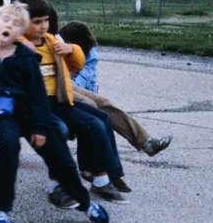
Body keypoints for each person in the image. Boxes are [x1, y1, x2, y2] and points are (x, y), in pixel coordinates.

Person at [0, 3, 110, 223]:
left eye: (16, 24)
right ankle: (1, 209)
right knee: (9, 146)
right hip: (3, 113)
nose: (9, 25)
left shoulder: (27, 56)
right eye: (5, 20)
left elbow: (38, 96)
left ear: (21, 33)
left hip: (32, 112)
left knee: (58, 150)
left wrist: (38, 127)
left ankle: (86, 204)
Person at [19, 0, 129, 204]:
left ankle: (101, 179)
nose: (43, 26)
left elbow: (76, 65)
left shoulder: (52, 42)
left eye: (46, 21)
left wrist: (72, 49)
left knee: (96, 122)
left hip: (58, 101)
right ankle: (57, 186)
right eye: (37, 22)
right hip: (35, 107)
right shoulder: (17, 45)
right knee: (59, 130)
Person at [59, 21, 173, 158]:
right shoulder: (56, 45)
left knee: (102, 105)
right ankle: (96, 163)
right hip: (59, 88)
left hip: (74, 87)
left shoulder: (89, 53)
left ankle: (146, 141)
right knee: (93, 109)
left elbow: (84, 79)